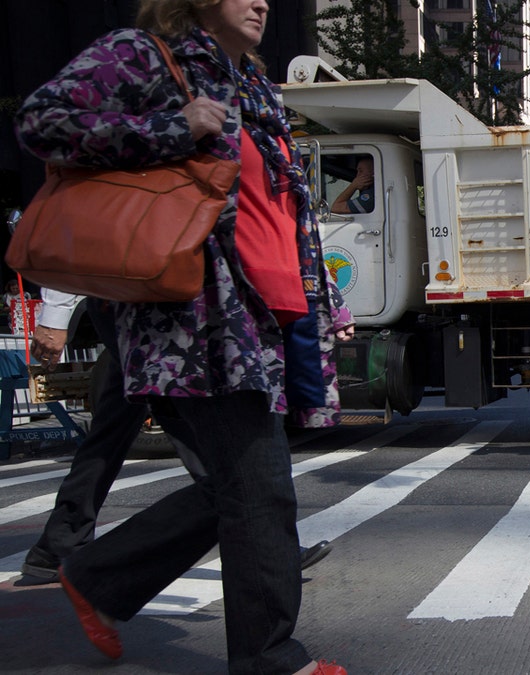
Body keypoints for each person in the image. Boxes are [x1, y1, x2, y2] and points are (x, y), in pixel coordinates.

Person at [15, 1, 352, 672]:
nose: (261, 1)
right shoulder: (146, 57)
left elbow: (278, 206)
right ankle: (269, 657)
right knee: (260, 487)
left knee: (233, 486)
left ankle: (99, 578)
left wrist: (323, 298)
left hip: (264, 320)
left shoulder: (253, 82)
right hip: (197, 324)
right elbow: (41, 121)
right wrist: (172, 126)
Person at [18, 289, 333, 587]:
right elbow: (76, 235)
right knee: (190, 426)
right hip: (133, 300)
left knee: (114, 428)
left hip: (149, 301)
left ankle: (58, 545)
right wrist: (54, 316)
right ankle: (268, 544)